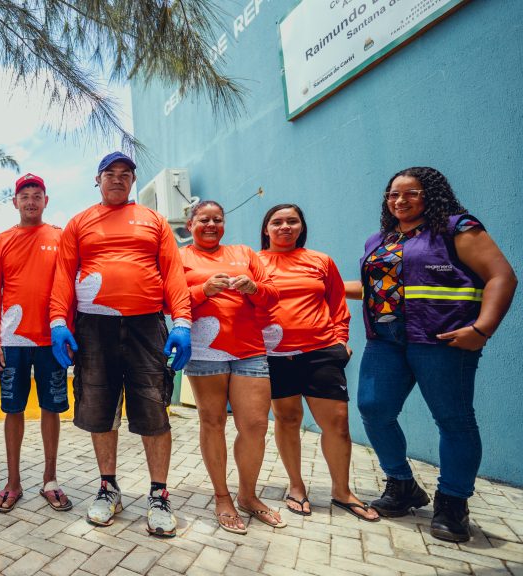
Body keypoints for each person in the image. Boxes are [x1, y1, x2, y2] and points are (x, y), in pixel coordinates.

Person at [348, 166, 516, 542]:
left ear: (432, 194)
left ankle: (453, 502)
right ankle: (402, 484)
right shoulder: (380, 239)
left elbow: (501, 276)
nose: (400, 200)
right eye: (393, 194)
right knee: (374, 409)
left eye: (412, 193)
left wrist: (482, 329)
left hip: (441, 339)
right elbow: (377, 287)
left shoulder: (456, 228)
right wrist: (321, 284)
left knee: (454, 420)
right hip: (385, 340)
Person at [49, 152, 192, 538]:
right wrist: (58, 322)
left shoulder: (154, 220)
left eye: (125, 173)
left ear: (132, 180)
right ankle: (108, 487)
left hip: (147, 324)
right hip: (94, 327)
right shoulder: (79, 222)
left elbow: (173, 272)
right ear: (97, 180)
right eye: (109, 173)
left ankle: (159, 495)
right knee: (99, 407)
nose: (117, 179)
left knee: (154, 408)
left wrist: (182, 322)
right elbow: (63, 274)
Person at [258, 204, 379, 521]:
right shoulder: (254, 263)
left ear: (301, 227)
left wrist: (341, 340)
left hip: (321, 351)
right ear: (266, 229)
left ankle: (342, 491)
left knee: (338, 423)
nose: (285, 226)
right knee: (287, 419)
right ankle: (296, 487)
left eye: (292, 221)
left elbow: (337, 302)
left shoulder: (320, 261)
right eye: (277, 222)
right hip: (275, 355)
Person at [179, 200, 281, 535]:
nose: (211, 225)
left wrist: (254, 288)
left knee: (255, 424)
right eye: (204, 219)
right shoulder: (180, 257)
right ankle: (222, 497)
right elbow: (170, 300)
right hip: (205, 350)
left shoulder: (244, 253)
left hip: (249, 348)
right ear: (190, 224)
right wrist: (203, 290)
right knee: (213, 422)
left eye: (218, 220)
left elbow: (272, 295)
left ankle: (248, 496)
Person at [0, 173, 71, 513]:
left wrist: (69, 332)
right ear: (15, 202)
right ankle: (13, 482)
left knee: (51, 408)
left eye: (37, 195)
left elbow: (69, 286)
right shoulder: (1, 241)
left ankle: (50, 479)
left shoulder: (61, 237)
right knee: (13, 409)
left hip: (52, 338)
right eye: (25, 196)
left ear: (46, 201)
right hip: (12, 340)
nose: (31, 201)